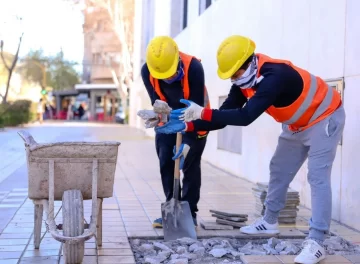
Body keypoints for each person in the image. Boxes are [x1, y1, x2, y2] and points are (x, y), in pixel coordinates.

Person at [155, 35, 345, 264]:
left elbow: (246, 117)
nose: (235, 79)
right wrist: (189, 125)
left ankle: (317, 241)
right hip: (297, 125)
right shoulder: (243, 84)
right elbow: (223, 117)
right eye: (231, 76)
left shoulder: (275, 76)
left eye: (236, 73)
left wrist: (202, 112)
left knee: (317, 178)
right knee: (278, 169)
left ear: (249, 61)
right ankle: (270, 221)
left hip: (325, 116)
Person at [141, 36, 211, 228]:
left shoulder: (194, 67)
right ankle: (172, 208)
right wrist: (158, 117)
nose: (168, 79)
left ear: (177, 59)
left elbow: (195, 108)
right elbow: (157, 102)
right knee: (166, 161)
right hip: (168, 122)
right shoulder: (147, 70)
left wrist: (188, 140)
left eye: (171, 73)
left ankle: (189, 213)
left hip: (197, 119)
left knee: (189, 164)